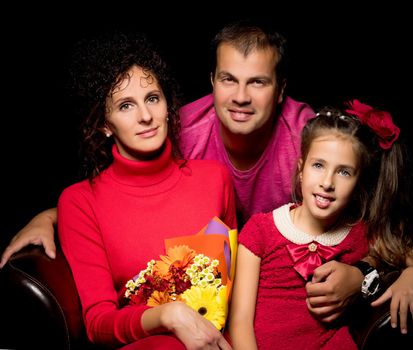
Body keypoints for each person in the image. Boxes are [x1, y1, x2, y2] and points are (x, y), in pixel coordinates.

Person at [0, 20, 314, 261]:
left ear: (281, 89)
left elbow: (350, 210)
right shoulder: (182, 129)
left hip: (280, 270)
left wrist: (360, 275)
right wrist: (49, 216)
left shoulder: (304, 137)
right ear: (212, 82)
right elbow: (123, 192)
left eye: (257, 82)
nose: (241, 97)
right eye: (228, 80)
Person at [52, 32, 236, 349]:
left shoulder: (215, 178)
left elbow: (239, 289)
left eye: (152, 98)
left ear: (167, 104)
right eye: (126, 105)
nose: (146, 116)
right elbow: (98, 324)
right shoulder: (79, 201)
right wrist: (169, 316)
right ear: (104, 124)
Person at [228, 102, 413, 349]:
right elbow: (240, 321)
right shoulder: (261, 230)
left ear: (359, 183)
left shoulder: (363, 234)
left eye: (344, 172)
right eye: (318, 165)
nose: (327, 182)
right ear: (301, 169)